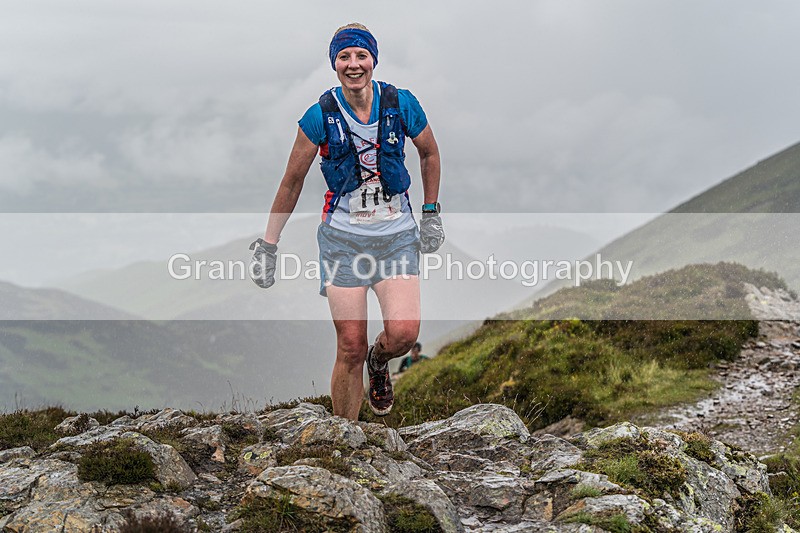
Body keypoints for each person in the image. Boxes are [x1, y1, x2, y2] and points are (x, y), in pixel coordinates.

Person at [249, 23, 444, 421]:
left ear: (373, 60)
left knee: (405, 334)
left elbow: (430, 154)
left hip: (396, 237)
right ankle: (344, 439)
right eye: (344, 57)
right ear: (334, 64)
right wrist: (269, 245)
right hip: (343, 241)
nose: (353, 64)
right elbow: (292, 181)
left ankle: (380, 361)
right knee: (349, 345)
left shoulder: (401, 104)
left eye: (360, 56)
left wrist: (430, 213)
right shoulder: (319, 116)